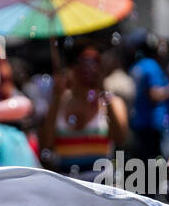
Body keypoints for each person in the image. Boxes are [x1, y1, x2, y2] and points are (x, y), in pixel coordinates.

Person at [39, 42, 127, 182]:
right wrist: (56, 98)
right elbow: (46, 144)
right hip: (68, 186)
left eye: (96, 62)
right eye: (83, 62)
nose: (90, 68)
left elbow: (120, 138)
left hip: (102, 186)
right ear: (71, 68)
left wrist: (103, 90)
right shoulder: (59, 103)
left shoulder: (113, 103)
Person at [128, 31, 169, 162]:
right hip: (153, 124)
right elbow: (154, 94)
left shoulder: (136, 67)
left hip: (138, 122)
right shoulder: (152, 66)